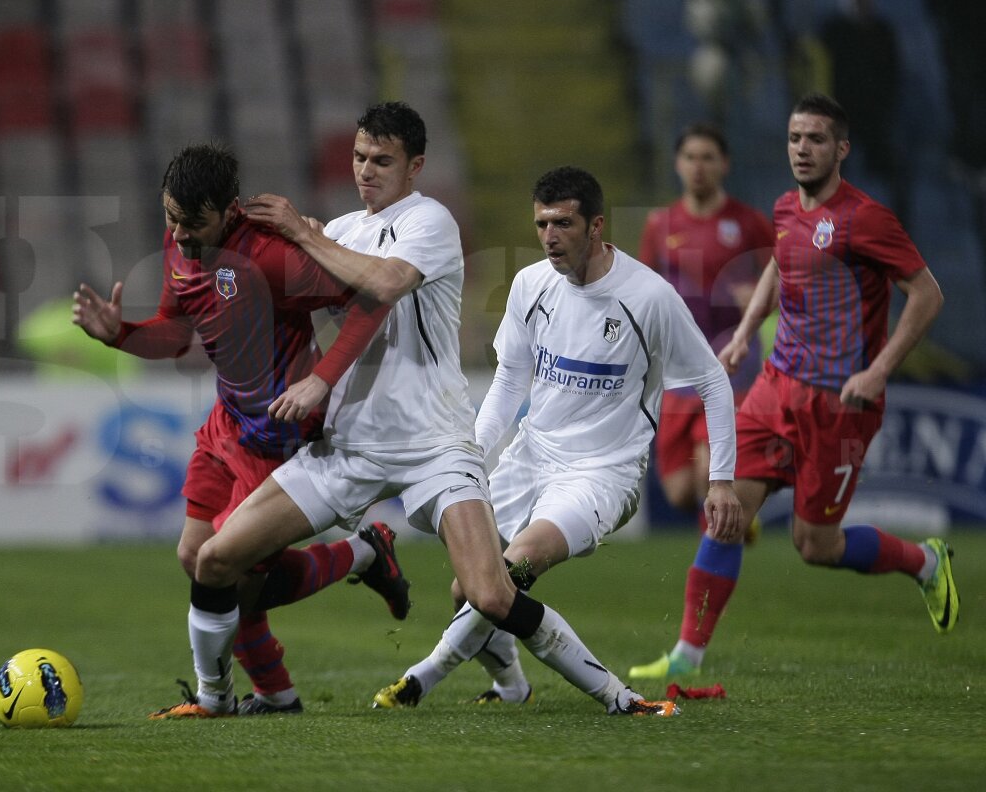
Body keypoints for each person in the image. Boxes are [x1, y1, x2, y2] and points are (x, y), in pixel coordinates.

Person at [170, 101, 681, 719]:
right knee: (215, 559)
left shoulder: (429, 220)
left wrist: (304, 235)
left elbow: (385, 283)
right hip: (348, 445)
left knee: (489, 593)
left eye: (382, 161)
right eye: (359, 157)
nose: (366, 170)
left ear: (414, 166)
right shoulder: (342, 231)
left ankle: (620, 698)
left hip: (433, 445)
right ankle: (214, 699)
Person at [367, 165, 742, 708]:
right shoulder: (530, 285)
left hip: (601, 474)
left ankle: (423, 676)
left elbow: (712, 380)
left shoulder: (648, 297)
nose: (549, 236)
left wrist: (722, 480)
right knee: (467, 589)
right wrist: (471, 454)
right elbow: (509, 381)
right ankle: (512, 687)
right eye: (542, 224)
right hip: (531, 455)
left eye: (563, 223)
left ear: (596, 226)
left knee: (513, 567)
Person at [72, 142, 410, 716]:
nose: (179, 234)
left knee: (227, 574)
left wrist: (322, 379)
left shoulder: (271, 258)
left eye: (193, 223)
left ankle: (355, 561)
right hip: (226, 422)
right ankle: (277, 691)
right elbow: (175, 333)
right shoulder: (180, 243)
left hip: (277, 438)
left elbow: (372, 301)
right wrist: (120, 335)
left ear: (229, 210)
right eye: (171, 218)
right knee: (195, 556)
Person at [629, 93, 956, 682]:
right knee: (724, 510)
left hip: (839, 404)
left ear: (841, 149)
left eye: (816, 139)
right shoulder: (784, 208)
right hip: (774, 388)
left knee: (815, 545)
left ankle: (924, 563)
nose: (802, 149)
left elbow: (927, 293)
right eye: (795, 138)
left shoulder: (866, 219)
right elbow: (779, 267)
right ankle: (686, 655)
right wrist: (744, 333)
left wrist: (879, 369)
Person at [639, 123, 772, 536]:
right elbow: (640, 289)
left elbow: (785, 277)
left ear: (724, 164)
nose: (699, 166)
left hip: (730, 362)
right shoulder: (660, 225)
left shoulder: (748, 223)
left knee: (707, 469)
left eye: (708, 158)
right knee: (679, 490)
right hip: (678, 368)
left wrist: (762, 298)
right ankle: (736, 523)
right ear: (678, 164)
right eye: (691, 157)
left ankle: (716, 555)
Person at [818, 0, 903, 218]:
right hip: (841, 114)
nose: (864, 4)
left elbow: (891, 73)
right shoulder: (833, 32)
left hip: (874, 115)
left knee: (884, 166)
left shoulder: (882, 32)